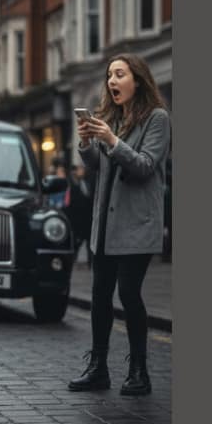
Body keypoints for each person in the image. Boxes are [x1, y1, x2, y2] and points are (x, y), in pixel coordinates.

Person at [67, 53, 170, 397]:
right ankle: (98, 369)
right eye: (110, 74)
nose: (112, 80)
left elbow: (143, 166)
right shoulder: (113, 118)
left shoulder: (157, 119)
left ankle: (139, 371)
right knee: (99, 296)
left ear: (137, 80)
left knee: (128, 293)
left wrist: (112, 140)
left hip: (137, 225)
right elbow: (98, 165)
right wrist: (86, 141)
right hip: (105, 227)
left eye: (120, 74)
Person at [67, 163, 93, 266]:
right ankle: (72, 261)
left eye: (82, 169)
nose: (81, 171)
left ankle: (90, 263)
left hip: (88, 219)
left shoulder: (87, 182)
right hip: (77, 220)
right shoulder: (73, 184)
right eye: (79, 169)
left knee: (89, 243)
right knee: (76, 243)